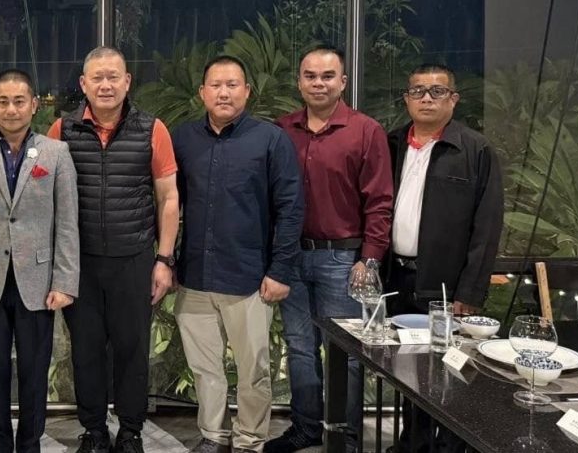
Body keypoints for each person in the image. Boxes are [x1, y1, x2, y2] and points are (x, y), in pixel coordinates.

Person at [46, 46, 179, 453]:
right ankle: (94, 431)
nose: (105, 85)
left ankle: (131, 431)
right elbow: (44, 197)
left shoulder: (152, 129)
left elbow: (168, 198)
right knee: (85, 351)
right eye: (97, 78)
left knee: (132, 349)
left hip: (134, 259)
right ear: (83, 84)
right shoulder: (62, 130)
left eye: (113, 77)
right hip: (79, 263)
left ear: (127, 82)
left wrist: (164, 259)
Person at [171, 56, 303, 453]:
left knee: (254, 370)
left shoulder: (270, 139)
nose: (224, 92)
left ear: (247, 90)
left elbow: (291, 208)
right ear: (202, 92)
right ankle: (213, 436)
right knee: (204, 368)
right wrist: (167, 261)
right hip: (195, 275)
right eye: (216, 85)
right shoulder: (183, 139)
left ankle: (249, 440)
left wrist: (280, 270)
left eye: (232, 85)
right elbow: (168, 204)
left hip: (249, 277)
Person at [270, 46, 394, 453]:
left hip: (343, 260)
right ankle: (306, 429)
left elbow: (379, 201)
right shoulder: (282, 130)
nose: (318, 83)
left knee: (346, 353)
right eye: (310, 76)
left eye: (327, 76)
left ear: (343, 82)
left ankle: (346, 436)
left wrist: (369, 259)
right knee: (299, 347)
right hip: (291, 257)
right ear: (299, 82)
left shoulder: (365, 131)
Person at [0, 69, 80, 453]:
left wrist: (65, 282)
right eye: (3, 101)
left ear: (34, 105)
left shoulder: (56, 153)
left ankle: (30, 444)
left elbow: (67, 222)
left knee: (35, 372)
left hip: (38, 281)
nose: (11, 109)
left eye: (19, 101)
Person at [386, 64, 503, 453]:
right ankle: (413, 444)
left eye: (437, 91)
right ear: (407, 99)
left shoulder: (475, 149)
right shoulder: (391, 144)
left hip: (445, 286)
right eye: (417, 91)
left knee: (450, 371)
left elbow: (487, 227)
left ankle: (449, 448)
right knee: (406, 369)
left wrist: (470, 290)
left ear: (454, 99)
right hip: (397, 278)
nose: (426, 99)